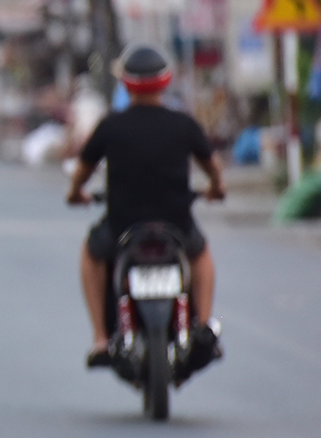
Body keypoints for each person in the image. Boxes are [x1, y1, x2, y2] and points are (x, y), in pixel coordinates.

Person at [67, 45, 225, 367]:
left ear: (126, 84)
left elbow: (82, 170)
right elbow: (213, 167)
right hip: (176, 225)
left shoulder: (111, 126)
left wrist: (75, 193)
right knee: (201, 253)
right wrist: (216, 190)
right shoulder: (183, 124)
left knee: (91, 255)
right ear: (165, 82)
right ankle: (204, 325)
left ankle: (100, 338)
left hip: (122, 227)